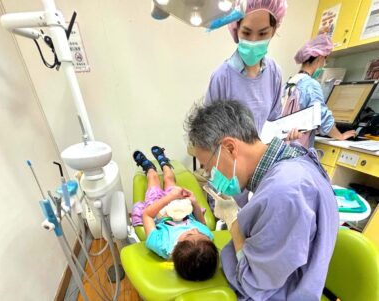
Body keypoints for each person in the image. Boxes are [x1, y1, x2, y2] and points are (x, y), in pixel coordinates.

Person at [185, 100, 339, 300]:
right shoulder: (290, 158)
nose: (211, 176)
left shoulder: (285, 190)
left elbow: (255, 284)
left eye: (208, 167)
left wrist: (234, 224)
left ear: (230, 147)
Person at [131, 146, 218, 281]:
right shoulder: (206, 240)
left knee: (153, 179)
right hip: (182, 207)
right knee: (169, 179)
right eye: (200, 233)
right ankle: (164, 162)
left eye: (189, 234)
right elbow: (201, 224)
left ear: (176, 248)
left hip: (158, 210)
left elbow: (147, 215)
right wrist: (194, 202)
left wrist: (169, 197)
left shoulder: (161, 245)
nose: (195, 229)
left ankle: (148, 167)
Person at [205, 0, 288, 136]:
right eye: (247, 33)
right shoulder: (222, 77)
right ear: (236, 30)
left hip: (261, 154)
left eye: (262, 34)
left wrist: (287, 133)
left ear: (273, 31)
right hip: (229, 155)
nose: (253, 41)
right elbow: (208, 132)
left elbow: (274, 121)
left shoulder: (274, 72)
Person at [284, 33, 356, 147]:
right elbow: (323, 117)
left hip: (283, 145)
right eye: (325, 60)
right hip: (297, 149)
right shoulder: (311, 85)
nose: (324, 64)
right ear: (320, 57)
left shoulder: (291, 82)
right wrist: (340, 136)